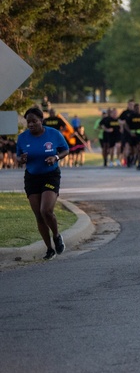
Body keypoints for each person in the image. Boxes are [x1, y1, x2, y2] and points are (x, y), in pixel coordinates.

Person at [16, 107, 70, 260]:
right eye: (28, 122)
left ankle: (57, 236)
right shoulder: (22, 138)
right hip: (32, 177)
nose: (31, 124)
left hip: (50, 175)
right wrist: (22, 160)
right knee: (38, 215)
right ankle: (49, 249)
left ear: (41, 120)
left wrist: (56, 158)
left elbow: (66, 150)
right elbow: (18, 158)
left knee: (45, 210)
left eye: (34, 121)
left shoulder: (53, 134)